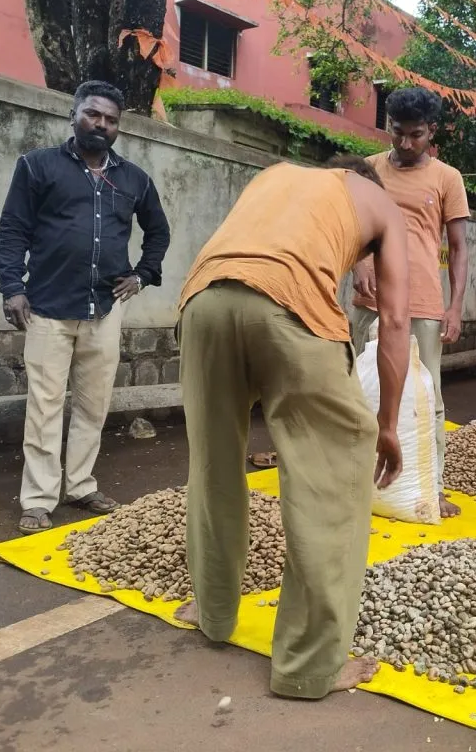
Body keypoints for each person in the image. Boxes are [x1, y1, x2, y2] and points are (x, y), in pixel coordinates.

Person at [174, 155, 410, 698]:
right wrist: (387, 424)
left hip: (203, 301)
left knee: (212, 463)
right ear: (365, 183)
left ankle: (211, 612)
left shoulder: (276, 175)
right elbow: (397, 320)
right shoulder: (382, 205)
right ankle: (310, 667)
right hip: (292, 307)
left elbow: (252, 260)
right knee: (331, 476)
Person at [0, 81, 171, 535]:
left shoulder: (133, 179)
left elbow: (159, 232)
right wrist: (13, 287)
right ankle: (37, 500)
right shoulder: (37, 167)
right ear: (74, 115)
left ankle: (81, 486)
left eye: (111, 120)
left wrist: (143, 274)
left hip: (105, 310)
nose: (102, 125)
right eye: (94, 115)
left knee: (93, 406)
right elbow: (13, 230)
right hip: (48, 309)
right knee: (45, 407)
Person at [350, 87, 470, 519]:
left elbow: (457, 248)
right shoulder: (369, 169)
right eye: (397, 133)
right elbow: (352, 225)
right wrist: (359, 262)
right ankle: (352, 480)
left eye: (415, 135)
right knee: (358, 388)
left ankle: (430, 487)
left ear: (431, 132)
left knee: (427, 397)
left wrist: (455, 307)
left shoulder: (447, 178)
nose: (403, 143)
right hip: (370, 301)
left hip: (421, 303)